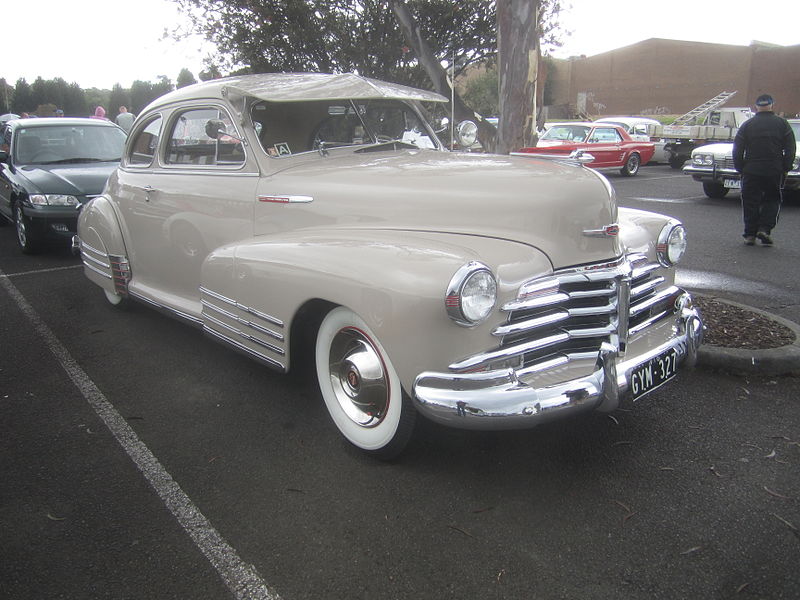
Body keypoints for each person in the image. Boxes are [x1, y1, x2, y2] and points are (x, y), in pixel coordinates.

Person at [733, 93, 796, 246]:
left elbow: (737, 149)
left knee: (750, 201)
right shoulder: (782, 124)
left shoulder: (747, 125)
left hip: (751, 169)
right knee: (772, 199)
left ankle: (749, 235)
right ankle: (765, 229)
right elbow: (790, 148)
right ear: (771, 105)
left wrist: (741, 168)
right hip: (774, 169)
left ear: (756, 107)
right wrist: (786, 167)